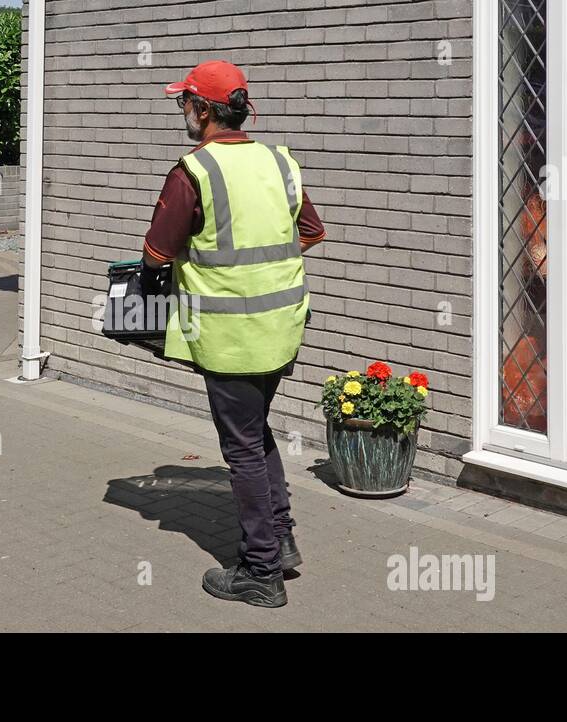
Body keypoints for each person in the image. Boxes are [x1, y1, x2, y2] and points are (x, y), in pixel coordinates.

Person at [142, 60, 326, 607]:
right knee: (256, 431)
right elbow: (311, 232)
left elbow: (157, 253)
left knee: (241, 448)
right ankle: (282, 540)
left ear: (204, 110)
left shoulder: (192, 171)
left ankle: (261, 573)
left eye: (185, 103)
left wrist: (163, 283)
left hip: (230, 334)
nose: (184, 112)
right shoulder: (281, 161)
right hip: (282, 325)